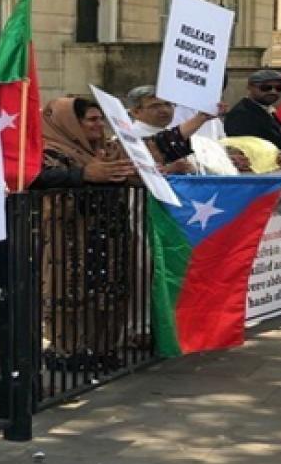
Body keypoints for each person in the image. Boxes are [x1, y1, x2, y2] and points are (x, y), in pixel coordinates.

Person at [31, 97, 136, 369]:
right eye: (91, 119)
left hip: (108, 237)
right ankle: (67, 351)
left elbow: (150, 155)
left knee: (109, 291)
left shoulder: (108, 150)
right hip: (70, 239)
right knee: (69, 290)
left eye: (100, 119)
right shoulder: (49, 150)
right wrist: (84, 174)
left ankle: (102, 348)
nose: (98, 125)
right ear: (70, 124)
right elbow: (38, 178)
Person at [124, 85, 237, 175]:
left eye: (168, 104)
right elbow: (132, 173)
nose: (164, 110)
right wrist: (169, 169)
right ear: (136, 112)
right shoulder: (128, 137)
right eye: (155, 106)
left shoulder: (181, 136)